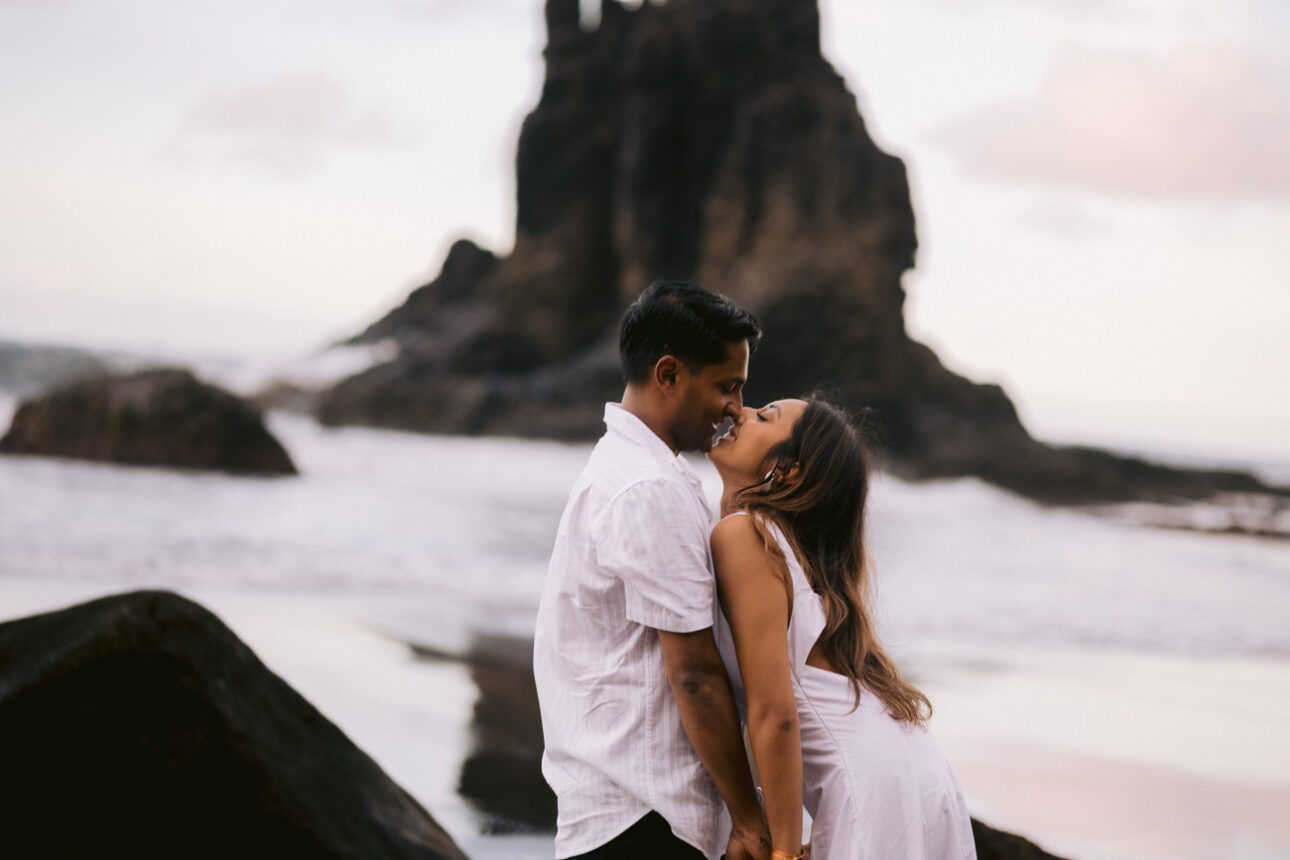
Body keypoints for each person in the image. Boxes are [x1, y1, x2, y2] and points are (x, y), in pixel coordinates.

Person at [533, 281, 772, 860]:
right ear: (669, 374)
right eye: (727, 386)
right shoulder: (648, 489)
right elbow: (693, 672)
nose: (736, 408)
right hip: (643, 816)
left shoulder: (628, 471)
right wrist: (748, 819)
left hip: (621, 808)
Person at [708, 397, 978, 860]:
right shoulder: (792, 551)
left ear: (788, 471)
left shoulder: (745, 535)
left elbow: (776, 715)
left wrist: (785, 854)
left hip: (874, 785)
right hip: (917, 775)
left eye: (764, 417)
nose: (741, 412)